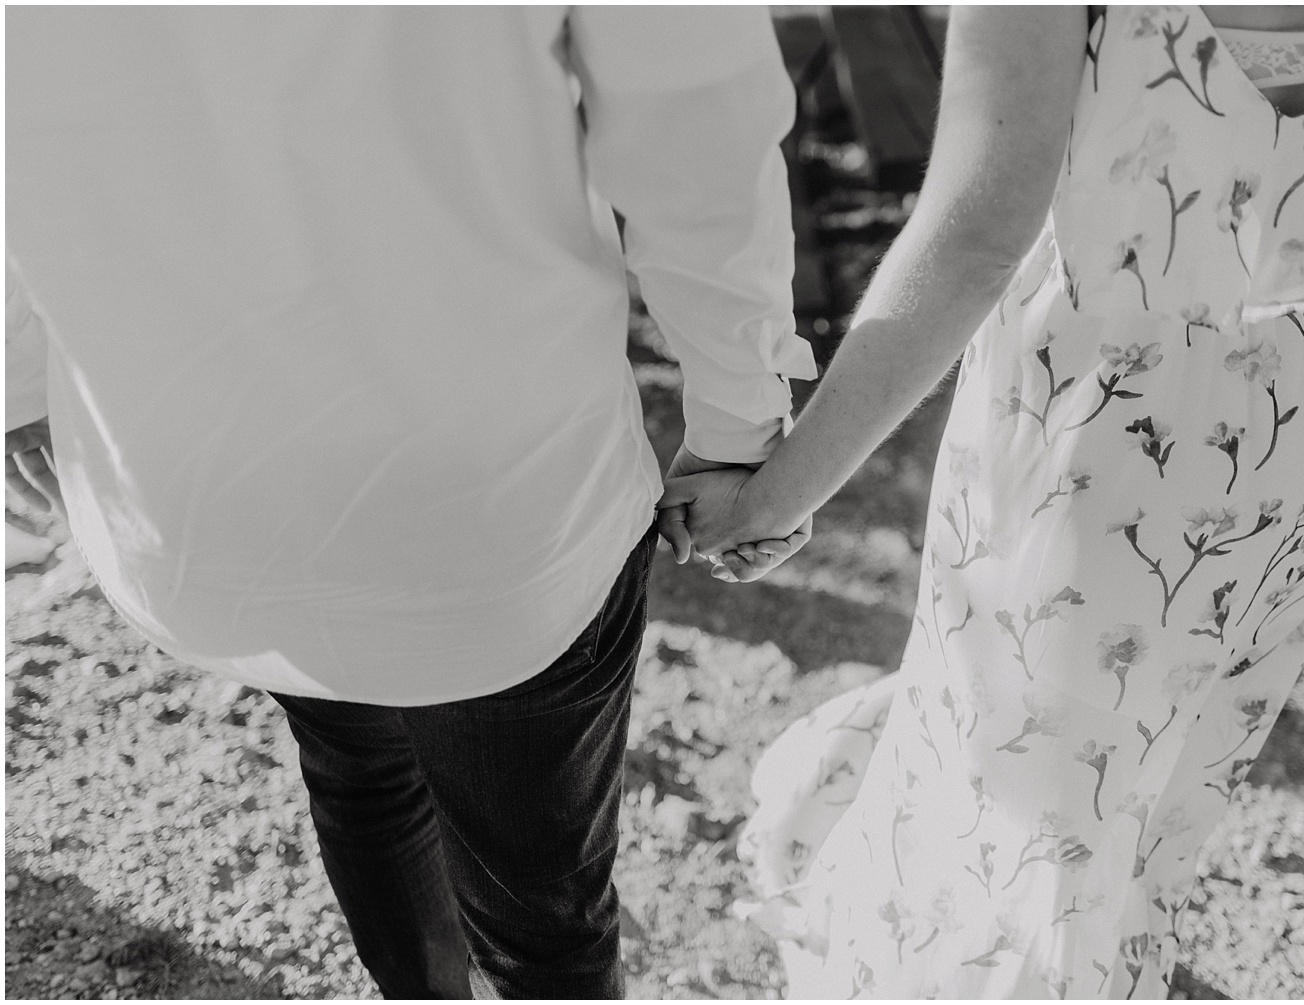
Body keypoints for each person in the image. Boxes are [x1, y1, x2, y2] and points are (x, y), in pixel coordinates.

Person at [659, 5, 1304, 998]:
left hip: (1098, 427)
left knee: (1015, 820)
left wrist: (781, 492)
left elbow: (977, 237)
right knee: (1138, 798)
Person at [5, 7, 813, 998]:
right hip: (494, 503)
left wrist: (15, 376)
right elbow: (701, 140)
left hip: (198, 483)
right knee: (541, 911)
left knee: (358, 766)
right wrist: (739, 423)